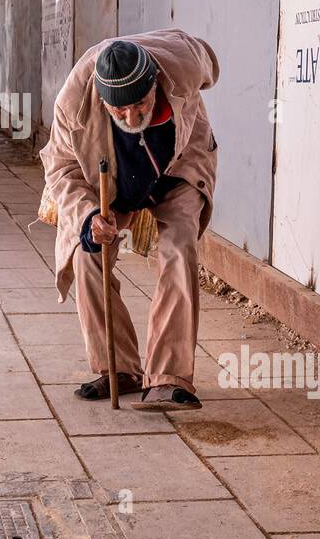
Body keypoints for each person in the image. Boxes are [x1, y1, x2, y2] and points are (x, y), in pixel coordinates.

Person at [40, 31, 219, 412]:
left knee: (179, 245)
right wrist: (89, 218)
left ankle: (169, 378)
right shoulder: (73, 103)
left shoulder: (182, 64)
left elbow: (210, 62)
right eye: (119, 111)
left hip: (179, 164)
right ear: (102, 100)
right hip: (112, 175)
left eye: (141, 105)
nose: (132, 117)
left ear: (154, 82)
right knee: (87, 253)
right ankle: (118, 368)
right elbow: (60, 170)